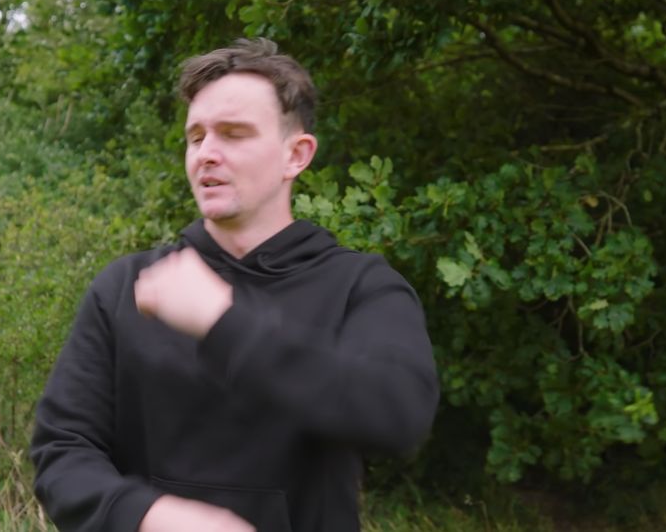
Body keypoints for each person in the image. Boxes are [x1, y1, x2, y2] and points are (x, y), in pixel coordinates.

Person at [30, 38, 439, 532]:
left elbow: (399, 415)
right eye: (196, 136)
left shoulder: (361, 286)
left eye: (234, 134)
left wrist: (223, 324)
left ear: (297, 155)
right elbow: (62, 450)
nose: (207, 153)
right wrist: (148, 517)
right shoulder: (129, 286)